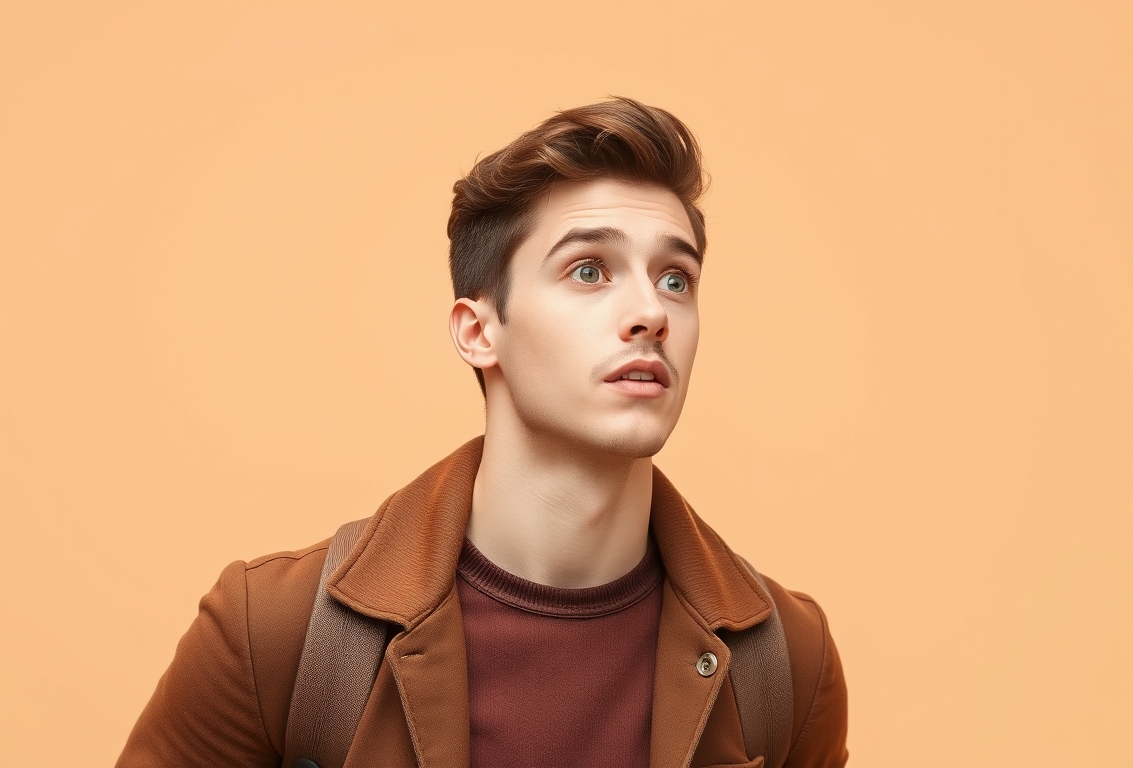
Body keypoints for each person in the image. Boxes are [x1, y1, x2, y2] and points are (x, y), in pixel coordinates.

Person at [117, 97, 847, 768]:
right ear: (478, 331)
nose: (650, 312)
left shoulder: (785, 660)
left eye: (675, 279)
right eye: (590, 270)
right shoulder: (274, 633)